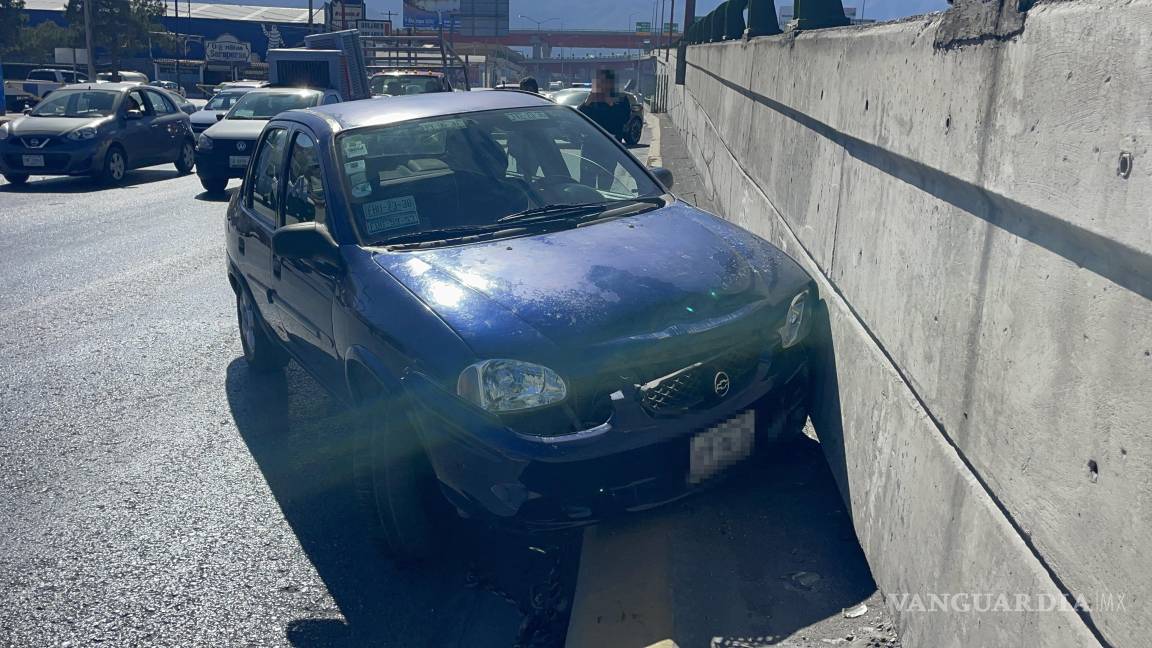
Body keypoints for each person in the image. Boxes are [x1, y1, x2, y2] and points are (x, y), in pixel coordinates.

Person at [579, 69, 631, 143]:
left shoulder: (620, 97)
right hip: (591, 141)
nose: (600, 84)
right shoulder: (593, 96)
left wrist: (611, 104)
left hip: (612, 142)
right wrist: (587, 102)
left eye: (603, 81)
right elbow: (580, 116)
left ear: (611, 83)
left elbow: (625, 118)